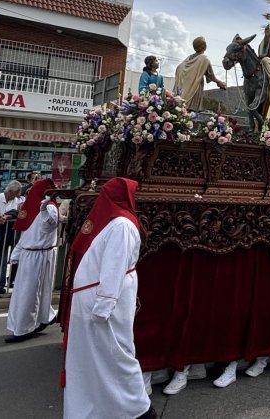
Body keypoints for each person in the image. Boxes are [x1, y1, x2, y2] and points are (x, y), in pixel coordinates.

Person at [61, 177, 154, 419]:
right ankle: (103, 406)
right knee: (96, 356)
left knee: (115, 353)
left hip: (105, 303)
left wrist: (104, 306)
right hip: (95, 300)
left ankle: (138, 408)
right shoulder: (115, 223)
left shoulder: (122, 225)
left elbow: (114, 268)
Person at [6, 179, 59, 342]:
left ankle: (24, 328)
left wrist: (45, 211)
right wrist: (17, 252)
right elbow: (26, 232)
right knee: (32, 291)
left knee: (30, 292)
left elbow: (51, 224)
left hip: (39, 253)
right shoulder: (33, 207)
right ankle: (45, 316)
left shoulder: (48, 207)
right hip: (31, 253)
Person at [172, 36, 227, 112]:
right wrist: (219, 82)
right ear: (204, 46)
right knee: (191, 111)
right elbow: (211, 75)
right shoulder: (204, 59)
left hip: (182, 91)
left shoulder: (188, 58)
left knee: (184, 112)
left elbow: (179, 69)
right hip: (195, 88)